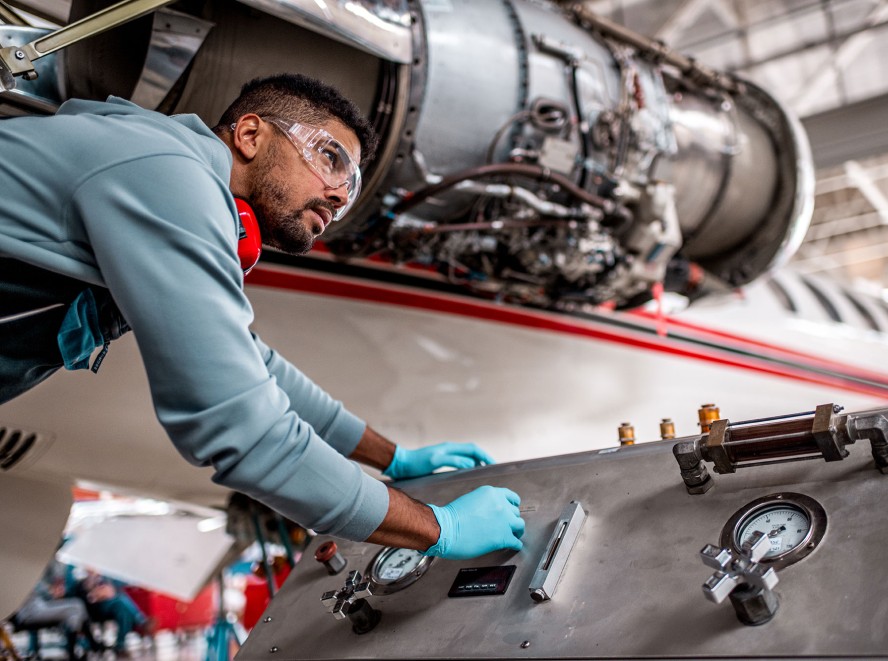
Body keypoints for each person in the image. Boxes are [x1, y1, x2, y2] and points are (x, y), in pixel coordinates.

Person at [0, 73, 525, 560]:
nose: (341, 195)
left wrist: (395, 460)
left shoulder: (158, 169)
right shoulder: (164, 173)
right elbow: (241, 427)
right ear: (250, 135)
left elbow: (253, 365)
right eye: (331, 159)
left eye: (353, 185)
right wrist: (439, 528)